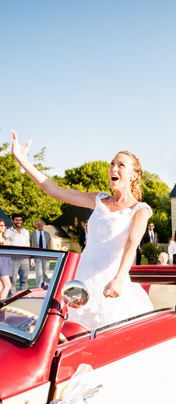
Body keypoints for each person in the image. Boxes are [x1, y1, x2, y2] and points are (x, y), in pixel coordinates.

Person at [10, 130, 153, 329]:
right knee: (72, 333)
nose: (114, 167)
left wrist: (119, 280)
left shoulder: (140, 210)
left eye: (121, 165)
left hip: (111, 281)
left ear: (134, 175)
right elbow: (54, 190)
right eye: (112, 163)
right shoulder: (98, 199)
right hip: (83, 278)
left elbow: (132, 244)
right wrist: (23, 160)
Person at [4, 213, 30, 294]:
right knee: (13, 282)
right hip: (13, 260)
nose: (19, 222)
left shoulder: (26, 232)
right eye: (17, 220)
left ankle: (23, 298)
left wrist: (31, 258)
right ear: (12, 221)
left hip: (25, 259)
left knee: (24, 281)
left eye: (20, 220)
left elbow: (28, 245)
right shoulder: (8, 232)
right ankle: (12, 299)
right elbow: (6, 247)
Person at [29, 220, 51, 287]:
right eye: (37, 224)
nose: (39, 225)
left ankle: (45, 286)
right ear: (35, 226)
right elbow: (30, 245)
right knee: (39, 273)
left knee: (46, 273)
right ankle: (39, 287)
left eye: (41, 224)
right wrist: (31, 257)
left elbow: (49, 244)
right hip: (37, 255)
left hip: (46, 255)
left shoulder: (47, 234)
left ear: (43, 225)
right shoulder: (32, 234)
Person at [0, 219, 12, 300]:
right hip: (1, 261)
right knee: (7, 285)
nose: (3, 227)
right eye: (1, 225)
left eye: (4, 225)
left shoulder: (4, 238)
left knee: (1, 286)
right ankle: (1, 305)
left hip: (6, 260)